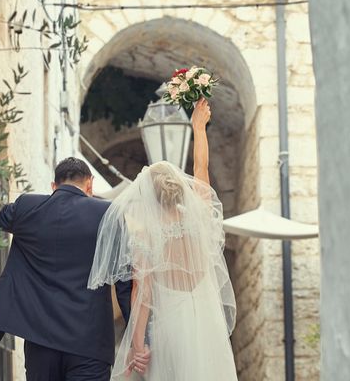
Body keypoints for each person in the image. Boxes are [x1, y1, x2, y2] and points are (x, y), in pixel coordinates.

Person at [88, 98, 238, 380]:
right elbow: (201, 170)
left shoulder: (147, 236)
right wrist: (199, 128)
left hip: (170, 327)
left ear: (151, 199)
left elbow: (141, 295)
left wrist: (137, 346)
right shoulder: (200, 216)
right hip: (208, 325)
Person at [0, 156, 145, 380]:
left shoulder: (27, 208)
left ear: (54, 186)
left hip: (40, 342)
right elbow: (125, 284)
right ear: (90, 184)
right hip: (90, 345)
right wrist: (140, 341)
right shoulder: (108, 215)